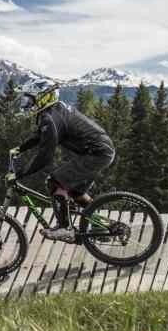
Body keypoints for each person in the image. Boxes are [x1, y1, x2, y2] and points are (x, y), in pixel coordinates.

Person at [8, 85, 116, 242]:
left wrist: (20, 174)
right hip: (100, 151)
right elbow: (40, 135)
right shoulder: (53, 112)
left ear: (44, 98)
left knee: (54, 182)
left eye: (29, 100)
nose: (26, 105)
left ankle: (65, 228)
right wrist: (20, 149)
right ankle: (101, 227)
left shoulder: (50, 118)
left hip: (97, 153)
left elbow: (45, 156)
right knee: (75, 192)